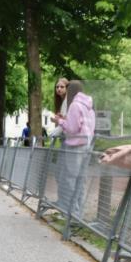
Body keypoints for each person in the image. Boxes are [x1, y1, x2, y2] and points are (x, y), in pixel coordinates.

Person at [52, 80, 94, 217]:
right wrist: (66, 119)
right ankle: (78, 212)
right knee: (80, 179)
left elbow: (72, 129)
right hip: (86, 145)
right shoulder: (88, 106)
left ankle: (70, 213)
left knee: (69, 179)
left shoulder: (75, 105)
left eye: (67, 89)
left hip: (75, 146)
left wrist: (59, 121)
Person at [47, 77, 69, 145]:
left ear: (67, 88)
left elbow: (68, 121)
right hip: (64, 136)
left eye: (62, 87)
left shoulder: (68, 100)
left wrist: (57, 120)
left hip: (70, 137)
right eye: (57, 87)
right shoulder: (62, 101)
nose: (59, 89)